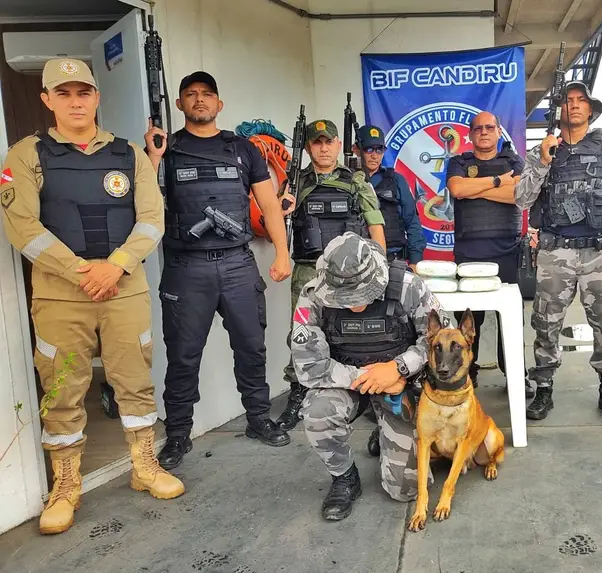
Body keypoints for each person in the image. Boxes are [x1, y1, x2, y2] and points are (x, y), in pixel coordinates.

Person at [0, 58, 184, 534]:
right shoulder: (25, 154)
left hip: (124, 289)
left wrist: (115, 266)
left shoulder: (129, 154)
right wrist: (81, 272)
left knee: (135, 380)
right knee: (62, 385)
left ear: (97, 97)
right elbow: (22, 226)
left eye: (83, 92)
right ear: (47, 100)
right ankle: (66, 485)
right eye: (63, 94)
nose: (75, 102)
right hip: (62, 296)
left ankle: (145, 467)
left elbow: (152, 219)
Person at [145, 71, 291, 470]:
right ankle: (178, 434)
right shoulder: (165, 150)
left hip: (236, 263)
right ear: (179, 104)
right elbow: (146, 205)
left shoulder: (243, 150)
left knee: (251, 347)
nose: (199, 100)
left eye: (207, 94)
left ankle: (258, 419)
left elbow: (269, 204)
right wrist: (153, 158)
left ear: (219, 104)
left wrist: (282, 253)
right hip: (185, 268)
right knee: (183, 355)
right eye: (190, 94)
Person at [515, 81, 602, 422]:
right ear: (559, 110)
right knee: (545, 322)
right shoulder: (542, 150)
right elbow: (522, 199)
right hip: (555, 251)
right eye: (568, 101)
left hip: (600, 251)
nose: (574, 105)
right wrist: (543, 161)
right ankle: (544, 389)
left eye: (580, 100)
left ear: (590, 109)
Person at [292, 232, 449, 520]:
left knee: (406, 490)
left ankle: (385, 428)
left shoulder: (408, 287)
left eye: (363, 294)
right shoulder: (313, 295)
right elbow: (309, 365)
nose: (354, 305)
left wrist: (398, 368)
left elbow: (443, 340)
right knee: (317, 413)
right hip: (345, 383)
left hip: (400, 386)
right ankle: (344, 477)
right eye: (344, 299)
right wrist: (371, 377)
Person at [275, 120, 386, 432]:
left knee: (356, 332)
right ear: (308, 147)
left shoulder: (356, 181)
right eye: (317, 142)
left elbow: (375, 224)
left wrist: (381, 267)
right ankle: (299, 392)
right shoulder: (295, 183)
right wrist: (282, 210)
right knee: (301, 334)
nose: (323, 148)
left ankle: (364, 392)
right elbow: (274, 225)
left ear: (338, 145)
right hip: (308, 270)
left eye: (329, 142)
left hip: (351, 273)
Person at [445, 111, 532, 397]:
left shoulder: (514, 162)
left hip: (506, 251)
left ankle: (515, 374)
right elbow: (457, 189)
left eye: (489, 128)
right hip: (468, 253)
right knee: (468, 321)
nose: (484, 132)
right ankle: (465, 373)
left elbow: (517, 194)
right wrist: (497, 182)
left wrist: (476, 189)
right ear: (470, 134)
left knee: (511, 321)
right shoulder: (459, 162)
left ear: (498, 132)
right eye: (478, 128)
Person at [353, 124, 426, 267]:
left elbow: (412, 222)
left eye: (379, 150)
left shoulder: (396, 180)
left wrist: (415, 261)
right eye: (368, 149)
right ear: (356, 149)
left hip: (393, 259)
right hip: (355, 261)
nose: (374, 156)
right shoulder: (347, 180)